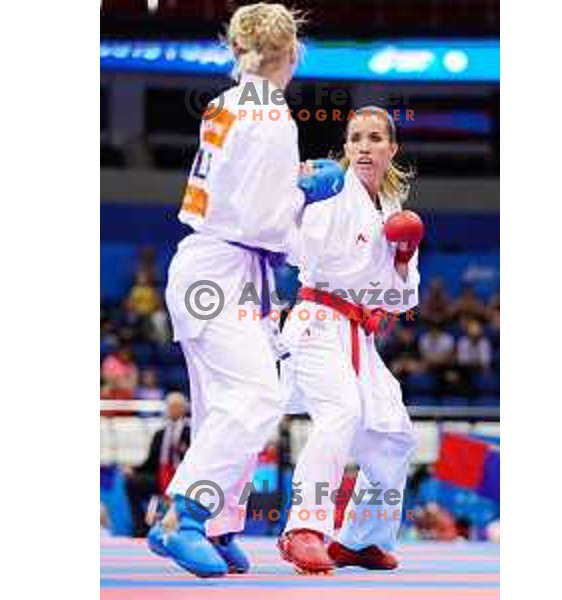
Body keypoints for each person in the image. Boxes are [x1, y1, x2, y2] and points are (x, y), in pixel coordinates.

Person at [147, 3, 344, 578]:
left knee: (222, 406)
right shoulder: (272, 113)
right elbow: (264, 220)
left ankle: (218, 522)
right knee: (256, 397)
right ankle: (179, 516)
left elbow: (246, 195)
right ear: (292, 55)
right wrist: (308, 190)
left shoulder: (228, 102)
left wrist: (295, 182)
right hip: (224, 266)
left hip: (216, 266)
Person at [277, 106, 422, 573]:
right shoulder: (331, 191)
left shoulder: (393, 210)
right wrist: (299, 199)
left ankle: (359, 540)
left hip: (359, 332)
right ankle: (304, 527)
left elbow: (400, 299)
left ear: (391, 149)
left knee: (394, 434)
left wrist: (402, 258)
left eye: (375, 138)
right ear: (345, 147)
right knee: (341, 413)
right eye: (355, 137)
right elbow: (301, 252)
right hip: (318, 319)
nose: (363, 145)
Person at [123, 392, 190, 537]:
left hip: (183, 478)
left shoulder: (190, 432)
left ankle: (190, 528)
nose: (173, 410)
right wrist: (133, 469)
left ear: (184, 408)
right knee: (132, 483)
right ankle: (140, 528)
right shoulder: (160, 434)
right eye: (170, 407)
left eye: (177, 406)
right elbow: (150, 461)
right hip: (161, 477)